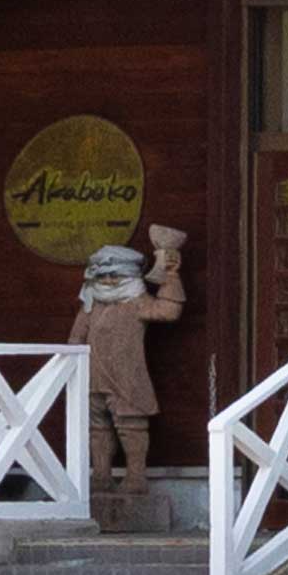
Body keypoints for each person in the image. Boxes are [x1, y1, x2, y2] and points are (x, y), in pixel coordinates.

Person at [74, 226, 187, 527]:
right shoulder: (90, 305)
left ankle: (136, 477)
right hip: (93, 377)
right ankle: (100, 475)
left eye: (115, 276)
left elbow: (168, 311)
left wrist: (171, 275)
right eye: (103, 276)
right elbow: (75, 340)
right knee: (97, 428)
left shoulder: (137, 301)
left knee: (131, 426)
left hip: (127, 378)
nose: (109, 281)